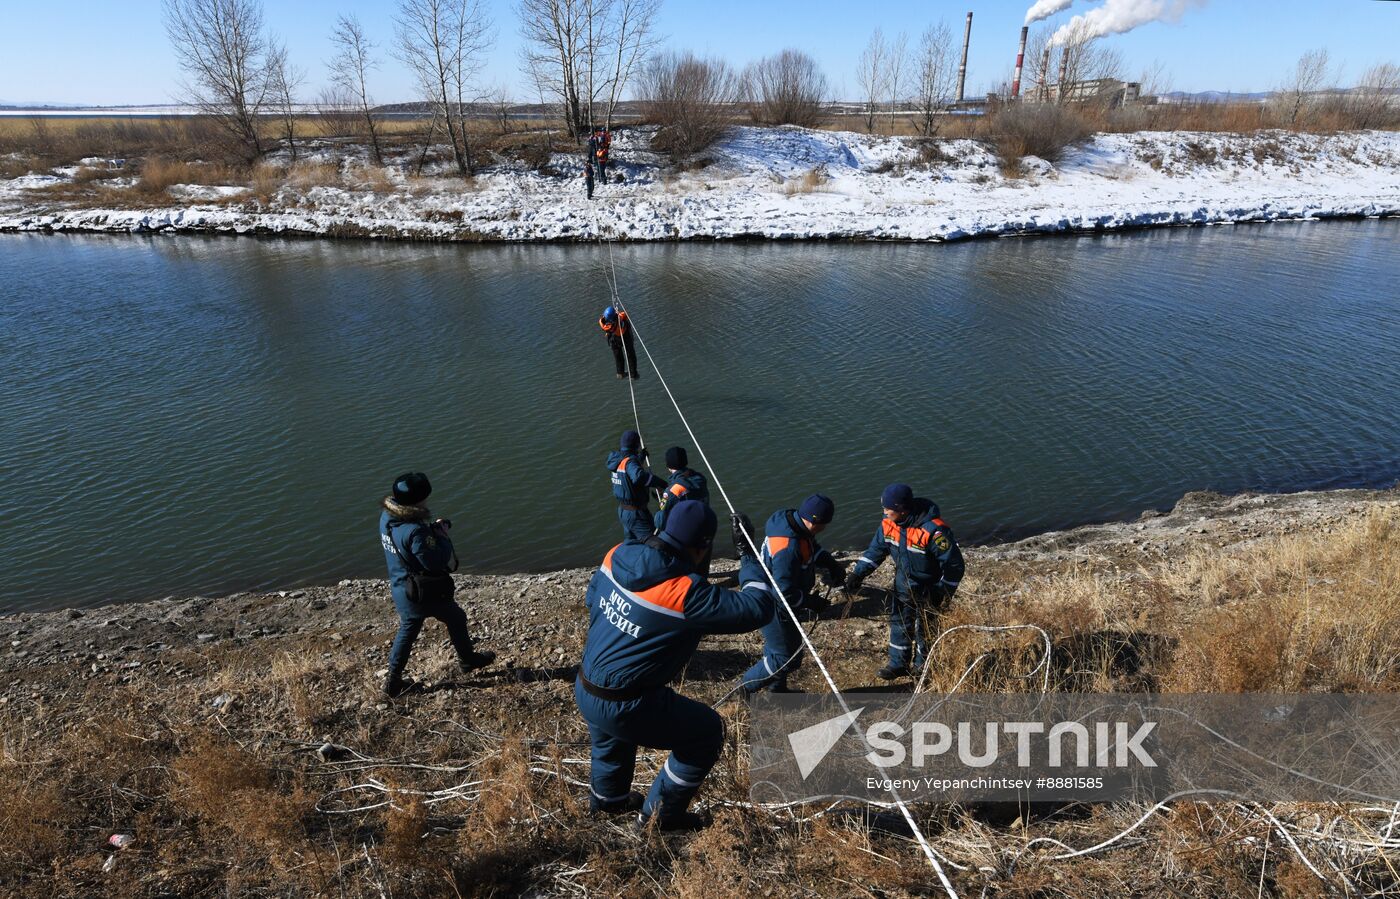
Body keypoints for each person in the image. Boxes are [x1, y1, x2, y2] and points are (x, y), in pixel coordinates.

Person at [575, 500, 773, 830]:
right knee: (705, 733)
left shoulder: (617, 554)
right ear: (703, 546)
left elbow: (591, 599)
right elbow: (757, 608)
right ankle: (660, 821)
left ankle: (608, 804)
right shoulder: (684, 594)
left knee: (611, 744)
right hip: (630, 703)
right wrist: (749, 555)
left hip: (587, 684)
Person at [379, 472, 494, 698]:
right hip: (422, 592)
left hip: (401, 586)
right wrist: (441, 536)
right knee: (455, 618)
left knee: (410, 630)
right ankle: (467, 660)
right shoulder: (416, 531)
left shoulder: (387, 518)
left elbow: (406, 544)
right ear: (418, 500)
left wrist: (430, 530)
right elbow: (435, 562)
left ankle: (393, 680)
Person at [845, 484, 965, 681]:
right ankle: (898, 664)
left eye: (887, 509)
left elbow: (955, 566)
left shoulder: (933, 531)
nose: (884, 512)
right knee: (899, 622)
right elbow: (875, 551)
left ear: (902, 509)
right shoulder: (888, 524)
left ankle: (923, 668)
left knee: (926, 628)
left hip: (930, 587)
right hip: (904, 583)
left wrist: (942, 593)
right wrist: (858, 574)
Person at [737, 494, 845, 695]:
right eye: (824, 525)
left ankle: (777, 690)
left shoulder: (793, 524)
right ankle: (744, 690)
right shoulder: (787, 548)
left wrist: (831, 563)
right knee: (786, 656)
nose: (824, 529)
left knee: (779, 648)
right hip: (775, 606)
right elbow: (782, 592)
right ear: (815, 521)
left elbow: (811, 548)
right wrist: (811, 602)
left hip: (783, 601)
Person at [608, 430, 666, 541]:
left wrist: (641, 457)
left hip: (623, 511)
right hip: (636, 513)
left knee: (632, 542)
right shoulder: (630, 462)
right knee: (655, 542)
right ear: (636, 445)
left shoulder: (616, 461)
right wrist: (661, 483)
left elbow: (628, 469)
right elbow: (639, 477)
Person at [653, 446, 710, 532]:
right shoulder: (700, 478)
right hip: (703, 528)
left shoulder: (672, 491)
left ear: (669, 466)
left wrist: (662, 500)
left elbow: (659, 523)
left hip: (684, 534)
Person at [598, 305, 639, 380]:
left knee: (618, 356)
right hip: (624, 336)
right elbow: (624, 315)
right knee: (630, 354)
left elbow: (603, 317)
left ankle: (620, 373)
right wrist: (618, 312)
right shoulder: (619, 320)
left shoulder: (603, 323)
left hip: (613, 338)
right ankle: (633, 375)